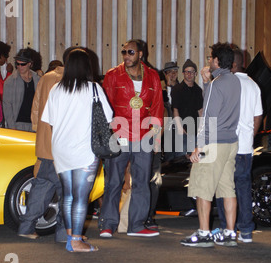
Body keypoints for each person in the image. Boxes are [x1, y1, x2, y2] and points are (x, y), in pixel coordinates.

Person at [41, 48, 113, 252]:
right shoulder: (93, 89)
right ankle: (75, 242)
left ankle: (72, 235)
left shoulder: (56, 89)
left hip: (61, 149)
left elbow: (50, 121)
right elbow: (107, 118)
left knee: (68, 195)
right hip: (84, 150)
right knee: (81, 197)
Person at [99, 39, 164, 238]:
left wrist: (156, 135)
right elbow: (105, 106)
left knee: (142, 182)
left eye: (130, 52)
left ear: (141, 54)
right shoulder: (112, 75)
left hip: (144, 135)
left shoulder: (152, 76)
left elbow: (157, 107)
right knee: (114, 181)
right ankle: (108, 224)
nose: (126, 56)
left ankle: (136, 224)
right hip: (119, 134)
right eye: (124, 52)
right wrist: (108, 133)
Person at [181, 42, 241, 248]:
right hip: (231, 142)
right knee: (228, 189)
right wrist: (208, 83)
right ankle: (230, 233)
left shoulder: (218, 84)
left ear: (216, 61)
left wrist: (198, 147)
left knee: (202, 189)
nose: (209, 61)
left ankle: (204, 233)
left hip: (213, 144)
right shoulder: (234, 81)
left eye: (210, 58)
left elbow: (208, 117)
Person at [17, 48, 76, 241]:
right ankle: (63, 234)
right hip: (64, 148)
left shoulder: (46, 78)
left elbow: (35, 109)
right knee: (69, 193)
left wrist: (40, 132)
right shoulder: (73, 81)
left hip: (45, 147)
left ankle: (26, 227)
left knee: (41, 188)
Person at [215, 49, 263, 243]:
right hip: (245, 146)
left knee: (224, 188)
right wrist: (250, 135)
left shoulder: (225, 84)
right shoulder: (253, 85)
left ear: (232, 65)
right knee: (243, 187)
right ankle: (246, 231)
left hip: (226, 144)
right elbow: (258, 115)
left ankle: (226, 228)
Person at [3, 48, 40, 131]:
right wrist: (12, 126)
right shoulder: (10, 81)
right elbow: (7, 105)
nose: (19, 67)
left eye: (23, 64)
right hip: (17, 124)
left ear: (30, 64)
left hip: (34, 125)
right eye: (17, 64)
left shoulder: (38, 80)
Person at [171, 59, 203, 156]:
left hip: (195, 131)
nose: (189, 74)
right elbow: (175, 109)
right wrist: (180, 128)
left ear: (196, 73)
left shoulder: (198, 90)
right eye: (187, 72)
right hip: (182, 131)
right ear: (183, 73)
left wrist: (201, 129)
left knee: (196, 159)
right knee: (181, 160)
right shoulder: (177, 89)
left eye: (192, 72)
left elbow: (200, 111)